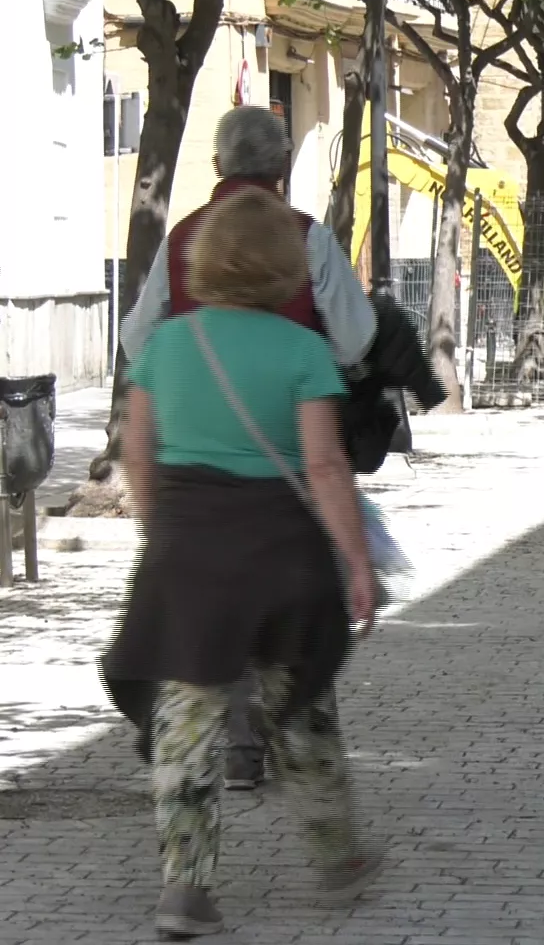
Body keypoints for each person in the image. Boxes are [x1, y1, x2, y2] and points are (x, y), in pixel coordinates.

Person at [102, 187, 383, 938]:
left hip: (190, 549)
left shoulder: (166, 345)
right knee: (301, 714)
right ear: (284, 266)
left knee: (185, 723)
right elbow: (324, 468)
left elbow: (137, 454)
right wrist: (356, 563)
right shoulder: (303, 352)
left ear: (207, 260)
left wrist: (166, 532)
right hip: (283, 555)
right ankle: (338, 855)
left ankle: (185, 887)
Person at [121, 106, 375, 793]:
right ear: (283, 167)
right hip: (287, 458)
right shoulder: (308, 237)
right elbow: (354, 337)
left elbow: (138, 338)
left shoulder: (181, 238)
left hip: (193, 476)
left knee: (204, 615)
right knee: (292, 609)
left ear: (216, 166)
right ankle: (309, 772)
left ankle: (226, 754)